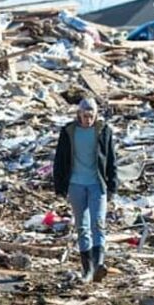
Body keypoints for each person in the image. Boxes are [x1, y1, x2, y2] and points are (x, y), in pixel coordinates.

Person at [53, 98, 118, 284]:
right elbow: (60, 159)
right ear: (78, 115)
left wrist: (113, 185)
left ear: (96, 115)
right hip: (76, 184)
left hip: (97, 184)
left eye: (91, 115)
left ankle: (99, 265)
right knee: (82, 226)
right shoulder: (69, 132)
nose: (88, 119)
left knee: (98, 223)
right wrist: (59, 186)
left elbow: (111, 159)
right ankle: (87, 270)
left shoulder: (104, 131)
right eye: (84, 115)